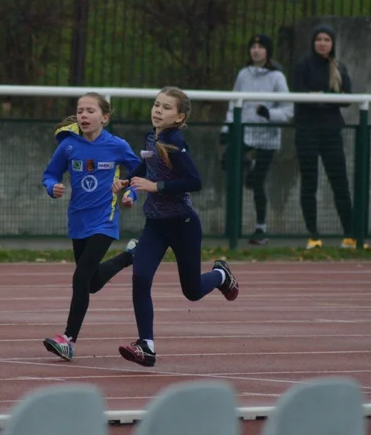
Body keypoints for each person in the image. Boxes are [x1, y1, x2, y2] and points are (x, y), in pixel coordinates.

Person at [113, 87, 239, 368]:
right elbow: (147, 168)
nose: (158, 110)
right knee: (140, 278)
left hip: (183, 225)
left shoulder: (175, 142)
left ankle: (220, 275)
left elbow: (195, 182)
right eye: (156, 105)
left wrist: (155, 187)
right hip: (155, 225)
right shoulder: (152, 136)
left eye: (166, 108)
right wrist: (127, 181)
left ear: (180, 117)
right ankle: (146, 345)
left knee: (192, 291)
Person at [40, 93, 142, 362]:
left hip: (104, 222)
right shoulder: (68, 146)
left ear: (104, 118)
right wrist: (53, 187)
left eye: (90, 111)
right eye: (80, 110)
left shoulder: (117, 146)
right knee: (92, 282)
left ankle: (68, 340)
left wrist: (132, 193)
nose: (84, 115)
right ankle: (131, 256)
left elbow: (139, 174)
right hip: (78, 221)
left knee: (80, 278)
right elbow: (50, 174)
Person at [220, 34, 294, 245]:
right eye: (253, 46)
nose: (256, 50)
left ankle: (260, 229)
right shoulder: (243, 74)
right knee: (227, 160)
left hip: (267, 137)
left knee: (257, 182)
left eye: (261, 46)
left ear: (268, 51)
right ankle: (249, 163)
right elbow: (234, 102)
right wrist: (227, 128)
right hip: (245, 133)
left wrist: (269, 114)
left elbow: (288, 109)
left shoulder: (277, 77)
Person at [290, 25, 356, 249]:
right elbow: (300, 97)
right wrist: (328, 98)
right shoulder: (302, 66)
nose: (322, 43)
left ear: (333, 43)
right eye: (318, 38)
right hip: (307, 131)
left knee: (340, 182)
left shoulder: (339, 67)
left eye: (327, 39)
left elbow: (346, 99)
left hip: (331, 132)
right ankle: (314, 235)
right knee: (309, 183)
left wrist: (319, 97)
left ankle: (350, 235)